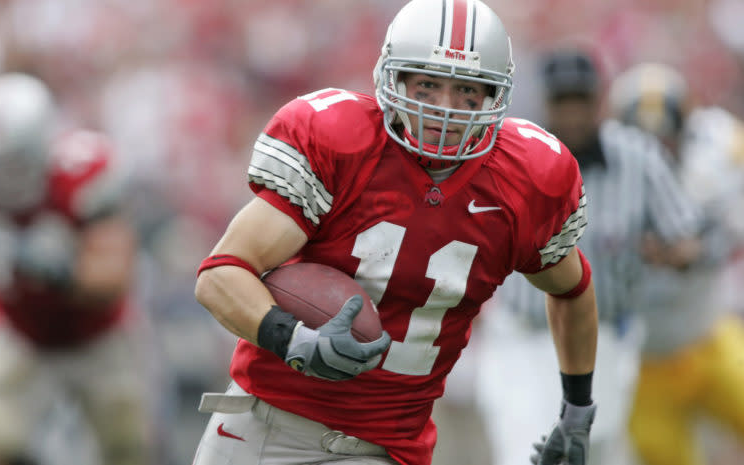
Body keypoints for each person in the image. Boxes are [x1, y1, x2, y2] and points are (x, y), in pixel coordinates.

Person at [192, 1, 598, 465]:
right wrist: (297, 341)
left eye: (466, 89)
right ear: (394, 78)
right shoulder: (340, 142)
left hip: (386, 448)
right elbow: (221, 274)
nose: (445, 109)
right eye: (427, 84)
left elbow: (572, 289)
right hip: (265, 427)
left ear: (493, 95)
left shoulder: (525, 180)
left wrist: (577, 408)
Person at [475, 48, 703, 465]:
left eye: (581, 99)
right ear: (547, 102)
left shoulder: (637, 157)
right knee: (529, 450)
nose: (573, 112)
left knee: (594, 448)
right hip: (525, 337)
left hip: (608, 337)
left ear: (599, 100)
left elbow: (685, 237)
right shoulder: (512, 154)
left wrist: (670, 254)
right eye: (563, 101)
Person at [0, 73, 158, 465]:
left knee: (127, 449)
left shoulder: (80, 175)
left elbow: (114, 276)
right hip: (23, 334)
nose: (6, 176)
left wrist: (52, 269)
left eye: (17, 162)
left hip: (97, 335)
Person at [609, 62, 744, 465]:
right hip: (643, 366)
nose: (655, 157)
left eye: (664, 142)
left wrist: (699, 250)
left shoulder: (717, 152)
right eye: (644, 145)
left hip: (707, 336)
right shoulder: (594, 180)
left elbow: (735, 221)